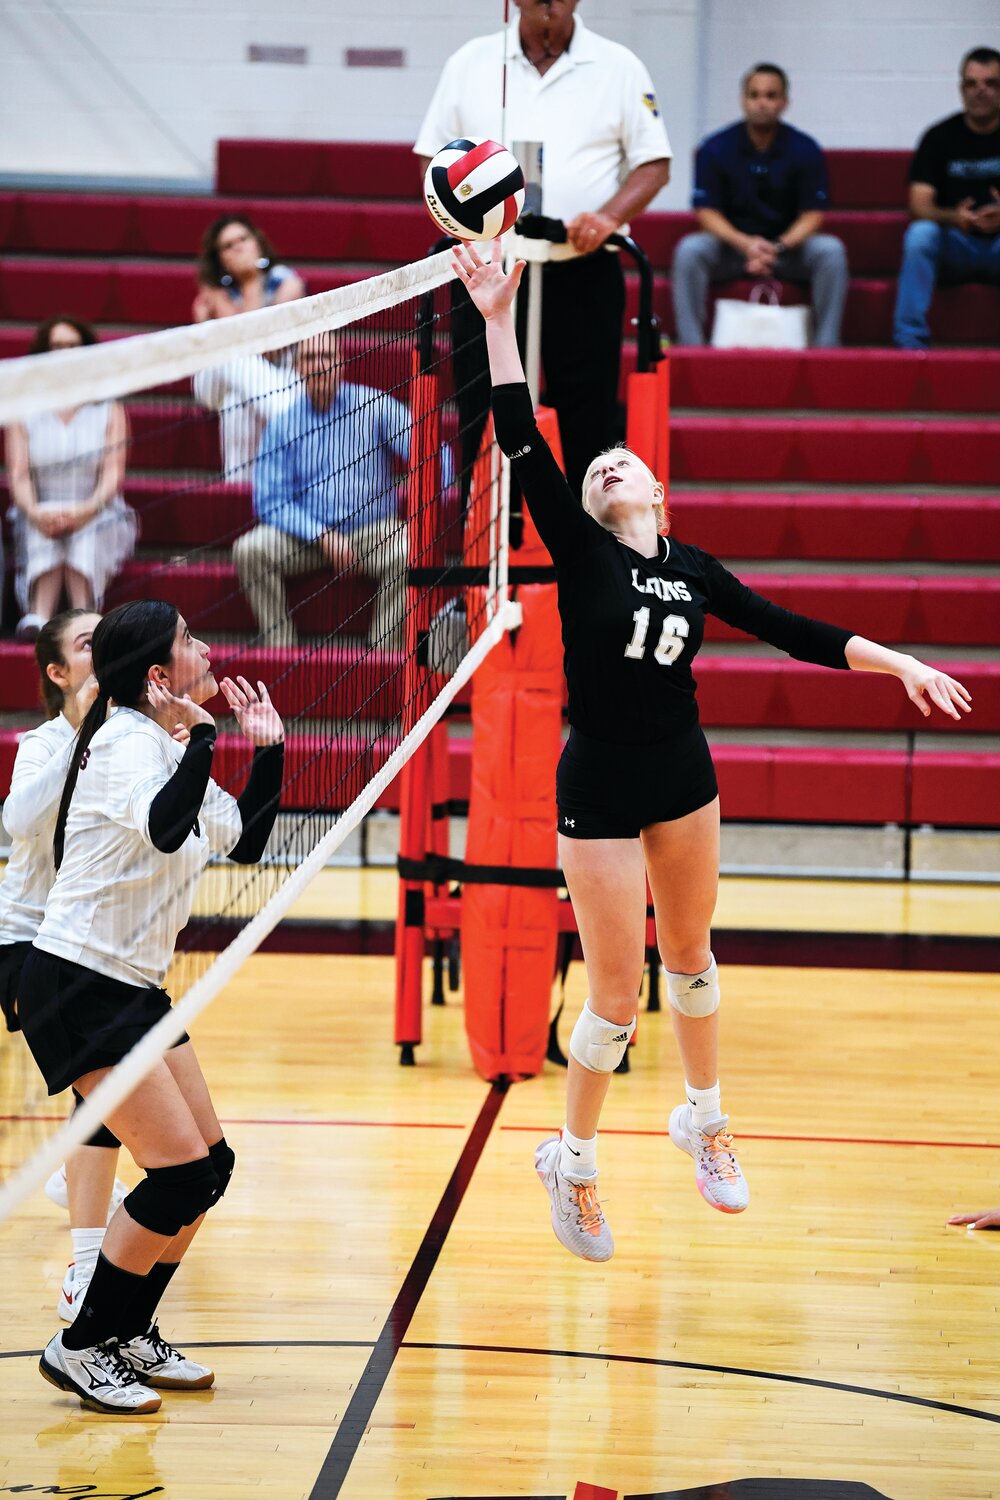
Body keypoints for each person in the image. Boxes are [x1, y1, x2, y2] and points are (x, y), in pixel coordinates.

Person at [453, 238, 973, 1262]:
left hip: (681, 775)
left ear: (652, 489)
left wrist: (899, 660)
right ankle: (575, 1161)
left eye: (623, 461)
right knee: (612, 993)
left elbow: (793, 629)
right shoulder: (579, 542)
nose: (609, 464)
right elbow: (520, 432)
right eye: (598, 467)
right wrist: (496, 318)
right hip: (596, 778)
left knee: (689, 960)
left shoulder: (692, 568)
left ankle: (704, 1117)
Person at [16, 599, 284, 1413]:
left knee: (210, 1170)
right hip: (76, 985)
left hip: (130, 986)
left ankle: (128, 1330)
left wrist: (267, 749)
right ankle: (80, 1345)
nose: (206, 648)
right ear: (160, 675)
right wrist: (204, 737)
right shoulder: (131, 745)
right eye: (189, 641)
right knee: (177, 1176)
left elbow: (243, 837)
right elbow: (168, 831)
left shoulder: (161, 743)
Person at [414, 0, 671, 498]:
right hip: (488, 274)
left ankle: (595, 551)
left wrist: (609, 217)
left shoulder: (619, 66)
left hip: (582, 270)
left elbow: (654, 164)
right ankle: (483, 541)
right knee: (483, 410)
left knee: (589, 418)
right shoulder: (470, 62)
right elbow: (433, 157)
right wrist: (465, 220)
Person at [0, 610, 130, 1320]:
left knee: (107, 1092)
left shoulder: (132, 740)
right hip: (30, 947)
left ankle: (73, 1181)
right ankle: (86, 1272)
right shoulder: (44, 742)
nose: (102, 650)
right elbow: (18, 822)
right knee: (104, 1093)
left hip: (96, 947)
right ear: (59, 674)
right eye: (88, 643)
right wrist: (83, 736)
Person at [233, 332, 410, 649]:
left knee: (407, 548)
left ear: (341, 362)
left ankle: (382, 659)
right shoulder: (283, 425)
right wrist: (322, 535)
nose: (319, 365)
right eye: (310, 358)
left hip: (372, 533)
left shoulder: (374, 406)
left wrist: (429, 484)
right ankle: (281, 652)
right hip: (307, 539)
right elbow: (270, 502)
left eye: (326, 357)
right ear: (298, 367)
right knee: (249, 550)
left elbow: (430, 448)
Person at [672, 62, 847, 348]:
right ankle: (692, 347)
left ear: (784, 102)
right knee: (690, 251)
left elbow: (814, 215)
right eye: (754, 95)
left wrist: (777, 247)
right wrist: (746, 245)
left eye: (770, 95)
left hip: (788, 251)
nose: (761, 103)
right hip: (732, 249)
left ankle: (827, 348)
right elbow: (706, 212)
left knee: (831, 251)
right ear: (743, 100)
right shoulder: (715, 148)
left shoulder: (805, 149)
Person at [6, 317, 138, 642]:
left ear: (86, 352)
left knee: (89, 528)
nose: (64, 353)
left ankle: (87, 617)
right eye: (56, 346)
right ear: (44, 352)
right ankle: (39, 615)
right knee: (42, 521)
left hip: (98, 506)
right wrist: (36, 510)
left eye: (72, 346)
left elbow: (113, 472)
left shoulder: (108, 407)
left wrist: (87, 509)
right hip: (37, 506)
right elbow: (19, 474)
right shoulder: (23, 407)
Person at [893, 47, 1000, 350]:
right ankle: (910, 344)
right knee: (920, 233)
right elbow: (918, 204)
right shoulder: (939, 137)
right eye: (971, 83)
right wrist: (953, 218)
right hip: (956, 245)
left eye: (991, 83)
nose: (980, 91)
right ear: (961, 89)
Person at [191, 216, 306, 479]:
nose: (238, 248)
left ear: (258, 243)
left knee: (237, 402)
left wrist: (253, 281)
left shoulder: (288, 283)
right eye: (228, 246)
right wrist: (247, 284)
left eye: (243, 239)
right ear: (219, 259)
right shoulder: (213, 292)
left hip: (272, 375)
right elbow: (239, 345)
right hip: (214, 380)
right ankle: (291, 420)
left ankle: (238, 491)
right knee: (231, 356)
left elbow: (270, 348)